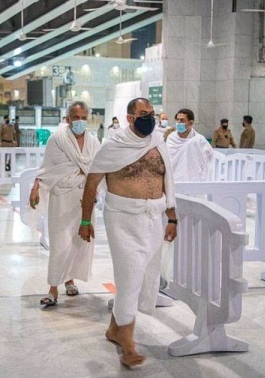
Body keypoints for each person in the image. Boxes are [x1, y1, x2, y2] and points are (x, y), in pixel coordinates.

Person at [79, 97, 177, 367]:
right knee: (131, 274)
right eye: (143, 114)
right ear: (130, 118)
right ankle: (128, 344)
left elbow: (168, 180)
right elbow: (91, 183)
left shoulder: (158, 142)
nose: (150, 118)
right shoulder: (114, 146)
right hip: (122, 219)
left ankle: (114, 329)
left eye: (152, 113)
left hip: (154, 218)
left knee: (143, 275)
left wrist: (172, 218)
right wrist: (85, 221)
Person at [29, 101, 100, 307]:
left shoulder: (94, 142)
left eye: (83, 117)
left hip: (84, 197)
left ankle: (70, 280)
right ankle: (53, 288)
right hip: (62, 197)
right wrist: (36, 186)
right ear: (67, 118)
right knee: (60, 243)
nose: (79, 121)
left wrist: (89, 183)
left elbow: (96, 168)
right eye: (75, 117)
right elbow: (48, 168)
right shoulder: (57, 139)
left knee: (79, 242)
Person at [166, 108, 214, 182]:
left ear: (190, 123)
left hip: (192, 179)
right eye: (177, 119)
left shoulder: (199, 140)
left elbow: (210, 156)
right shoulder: (171, 138)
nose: (178, 122)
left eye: (182, 120)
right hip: (173, 178)